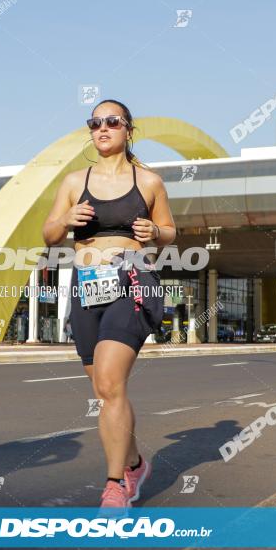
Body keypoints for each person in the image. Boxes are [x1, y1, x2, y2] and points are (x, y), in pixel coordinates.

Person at [42, 99, 170, 512]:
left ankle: (116, 485)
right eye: (95, 122)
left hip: (132, 280)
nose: (102, 128)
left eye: (111, 121)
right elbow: (47, 234)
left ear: (128, 129)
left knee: (111, 383)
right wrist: (65, 221)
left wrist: (156, 231)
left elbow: (170, 230)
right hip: (85, 285)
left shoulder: (148, 181)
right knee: (103, 390)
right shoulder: (73, 181)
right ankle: (134, 463)